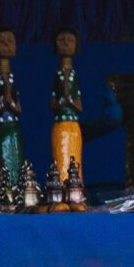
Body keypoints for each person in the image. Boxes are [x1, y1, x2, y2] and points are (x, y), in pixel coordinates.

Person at [0, 27, 23, 184]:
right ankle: (5, 190)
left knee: (17, 159)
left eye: (10, 41)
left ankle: (17, 188)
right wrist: (3, 103)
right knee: (3, 162)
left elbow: (18, 108)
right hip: (1, 127)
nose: (7, 45)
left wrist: (11, 102)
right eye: (1, 42)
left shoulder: (13, 78)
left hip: (14, 127)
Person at [50, 27, 82, 182]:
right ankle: (62, 187)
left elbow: (79, 106)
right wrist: (64, 101)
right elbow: (53, 104)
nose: (66, 44)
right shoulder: (58, 76)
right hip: (60, 124)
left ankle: (76, 189)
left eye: (70, 40)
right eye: (61, 40)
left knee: (74, 158)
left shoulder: (74, 76)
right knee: (61, 156)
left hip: (73, 125)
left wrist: (69, 101)